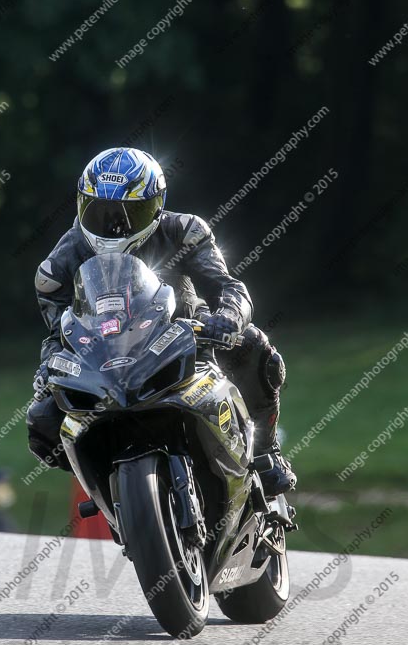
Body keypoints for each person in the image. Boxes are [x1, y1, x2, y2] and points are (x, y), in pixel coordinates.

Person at [27, 147, 296, 497]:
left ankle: (264, 452)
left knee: (255, 347)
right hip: (103, 358)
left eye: (130, 213)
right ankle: (107, 483)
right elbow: (58, 334)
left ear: (156, 207)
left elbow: (228, 287)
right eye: (100, 211)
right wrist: (48, 365)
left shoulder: (184, 231)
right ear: (80, 204)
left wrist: (229, 317)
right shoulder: (57, 268)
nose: (113, 224)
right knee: (43, 418)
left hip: (185, 335)